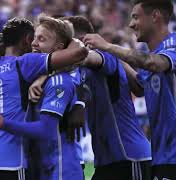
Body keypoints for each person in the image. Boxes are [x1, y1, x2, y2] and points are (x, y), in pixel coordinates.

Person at [0, 16, 88, 180]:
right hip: (37, 168)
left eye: (41, 39)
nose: (33, 43)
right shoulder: (30, 73)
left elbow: (46, 130)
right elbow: (4, 57)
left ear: (59, 48)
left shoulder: (60, 79)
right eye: (33, 38)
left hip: (61, 169)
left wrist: (3, 124)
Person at [30, 15, 152, 180]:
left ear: (79, 41)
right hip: (105, 160)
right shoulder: (71, 71)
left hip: (129, 157)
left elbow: (82, 56)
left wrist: (78, 102)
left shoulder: (103, 58)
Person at [83, 1, 176, 179]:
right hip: (162, 155)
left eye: (135, 17)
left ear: (155, 16)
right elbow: (140, 87)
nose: (131, 24)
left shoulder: (171, 45)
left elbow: (154, 63)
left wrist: (108, 47)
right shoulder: (152, 54)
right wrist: (110, 54)